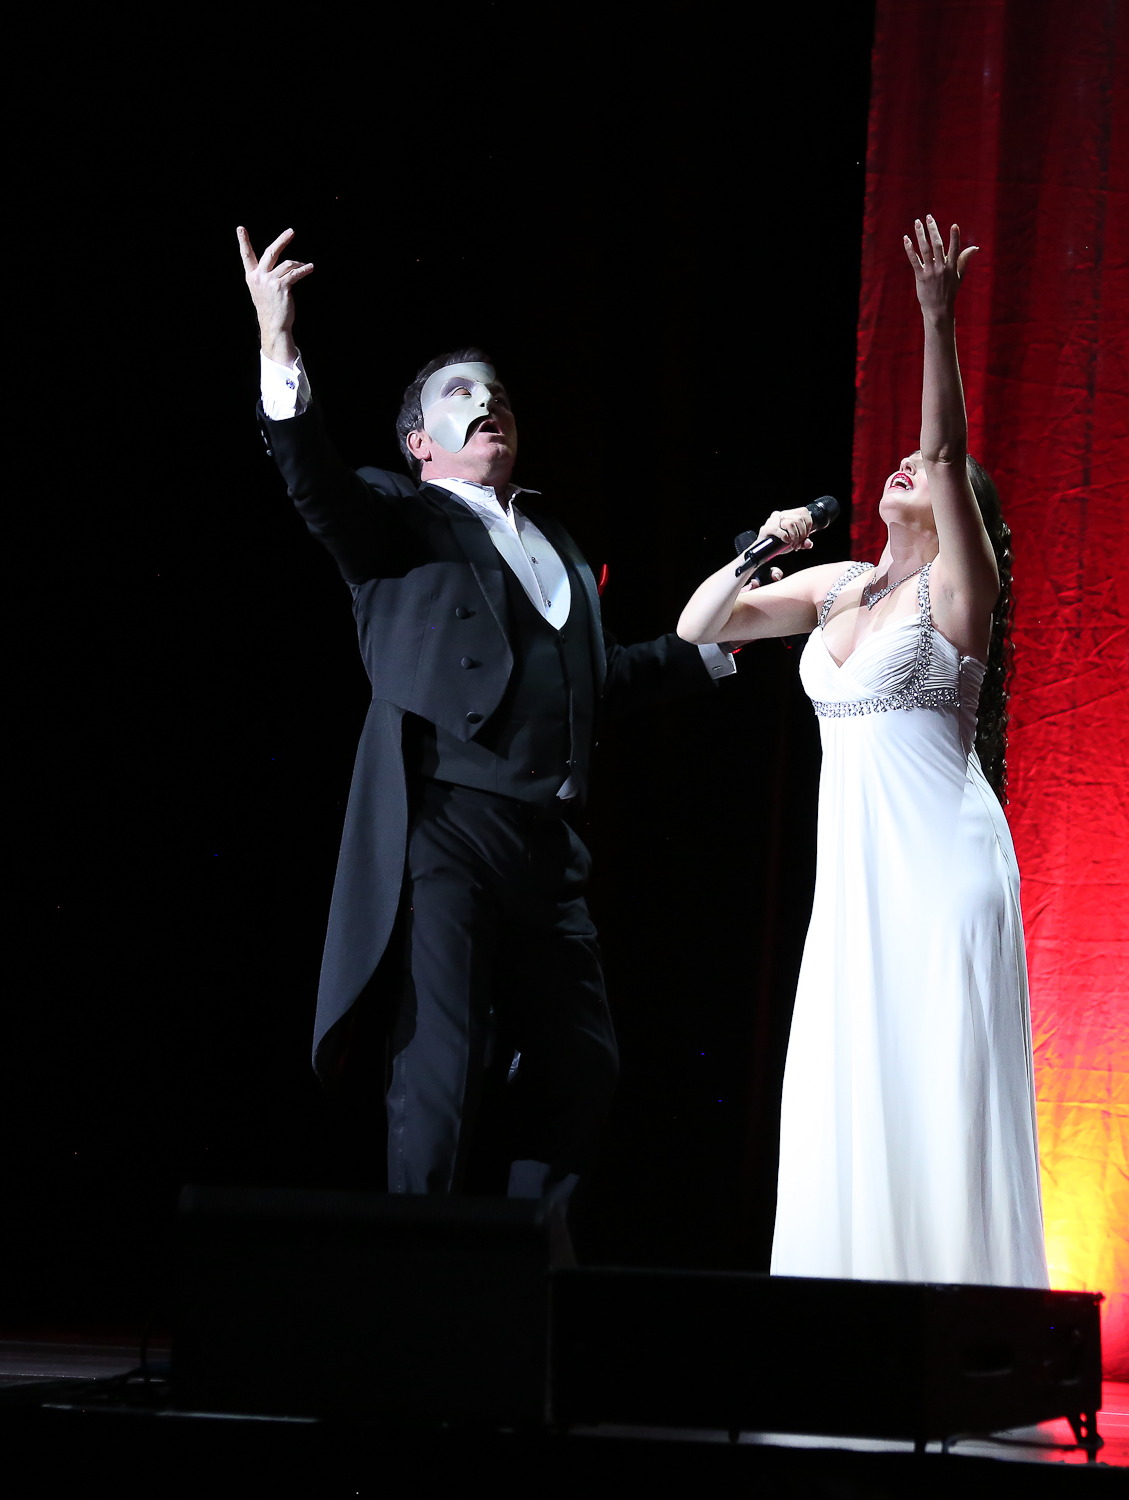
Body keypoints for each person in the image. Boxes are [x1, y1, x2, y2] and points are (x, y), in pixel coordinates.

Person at [237, 225, 739, 1204]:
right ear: (419, 443)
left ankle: (518, 1256)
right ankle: (419, 1276)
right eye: (460, 393)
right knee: (443, 1063)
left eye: (497, 391)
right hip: (447, 821)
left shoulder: (556, 540)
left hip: (548, 840)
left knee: (582, 1066)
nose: (488, 401)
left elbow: (595, 682)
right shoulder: (395, 516)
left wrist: (715, 654)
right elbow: (313, 482)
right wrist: (276, 342)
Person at [677, 216, 1046, 1286]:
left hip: (940, 876)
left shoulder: (959, 592)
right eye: (903, 462)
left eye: (923, 473)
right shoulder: (840, 585)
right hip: (857, 888)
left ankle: (951, 1322)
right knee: (852, 1088)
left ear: (961, 515)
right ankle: (849, 1323)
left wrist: (935, 318)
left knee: (931, 1093)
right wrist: (765, 545)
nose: (907, 466)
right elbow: (702, 625)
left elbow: (947, 450)